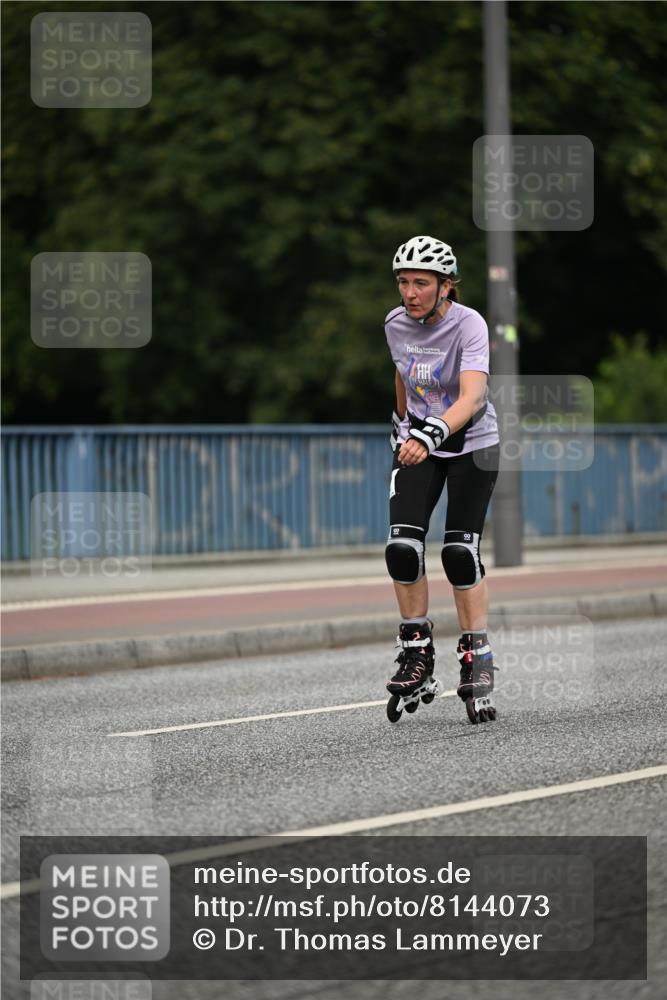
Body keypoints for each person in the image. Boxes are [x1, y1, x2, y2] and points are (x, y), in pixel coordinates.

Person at [383, 235, 501, 724]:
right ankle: (417, 653)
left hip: (472, 444)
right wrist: (401, 423)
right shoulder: (394, 323)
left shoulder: (468, 324)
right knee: (402, 549)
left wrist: (429, 433)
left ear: (446, 286)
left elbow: (473, 396)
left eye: (421, 283)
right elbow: (403, 375)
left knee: (458, 552)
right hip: (420, 445)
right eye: (404, 282)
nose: (410, 292)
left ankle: (478, 657)